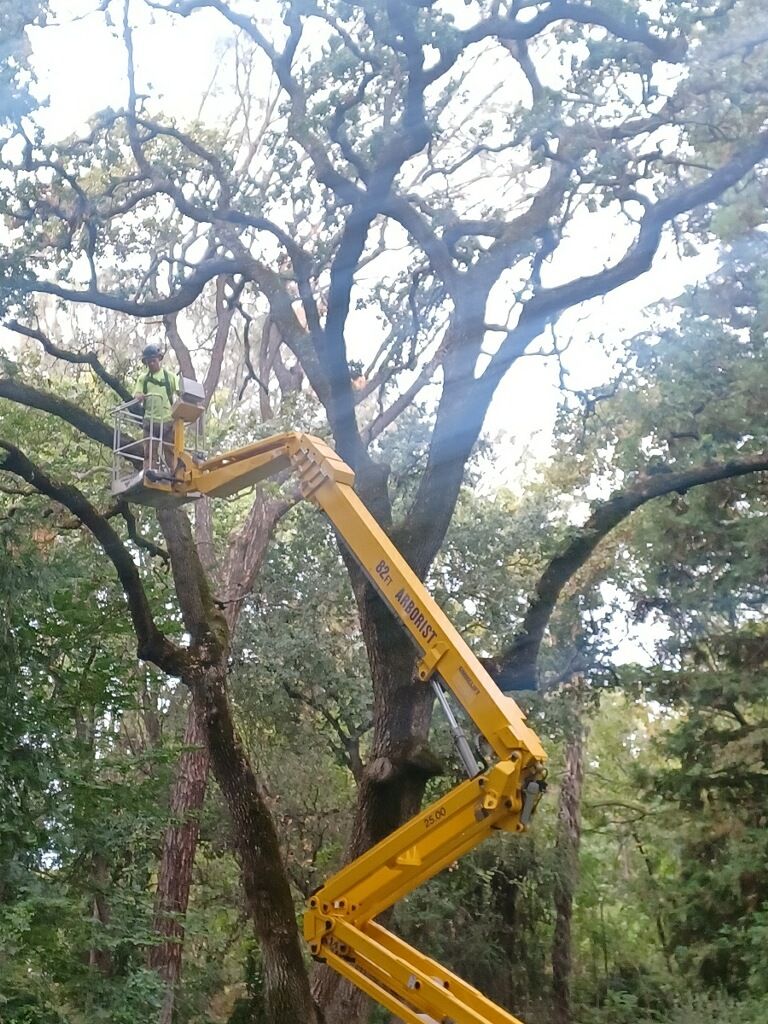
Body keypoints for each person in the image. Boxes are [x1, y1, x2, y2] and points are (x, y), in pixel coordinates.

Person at [132, 344, 179, 472]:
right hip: (150, 421)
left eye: (154, 360)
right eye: (149, 361)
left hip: (168, 420)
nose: (152, 364)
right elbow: (137, 394)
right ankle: (150, 474)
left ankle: (175, 475)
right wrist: (139, 396)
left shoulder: (169, 377)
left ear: (159, 359)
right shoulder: (143, 379)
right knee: (150, 451)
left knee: (170, 451)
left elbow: (182, 392)